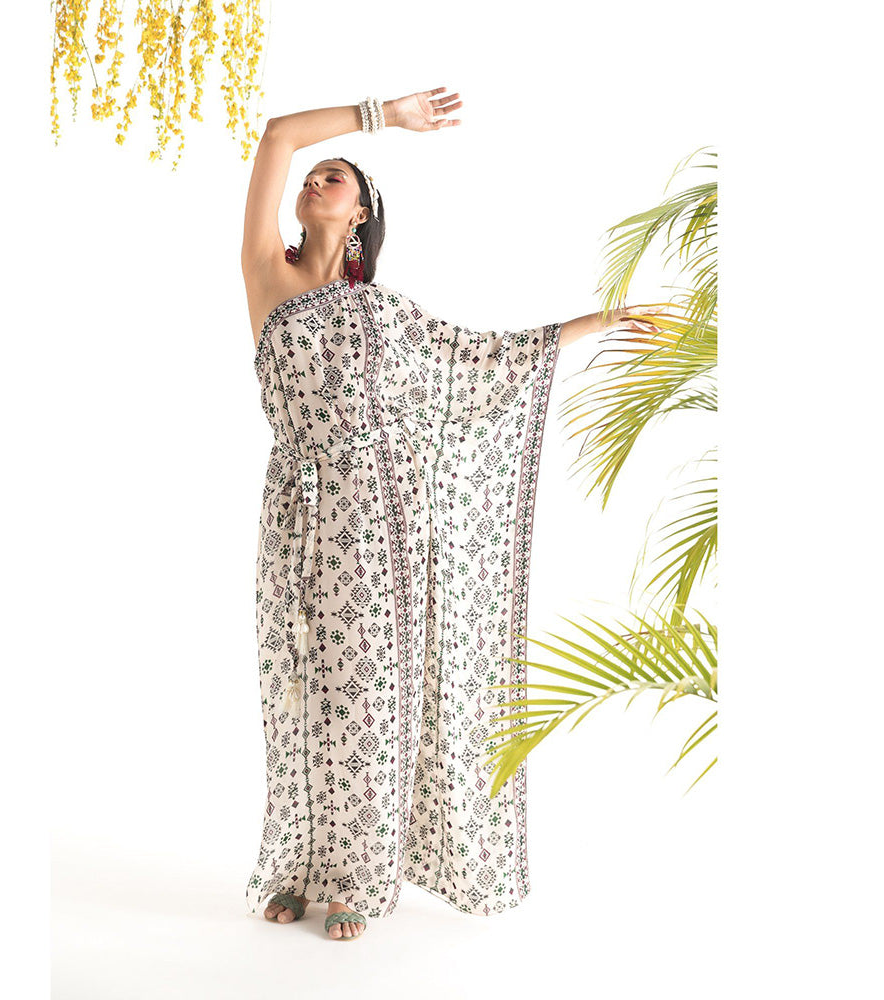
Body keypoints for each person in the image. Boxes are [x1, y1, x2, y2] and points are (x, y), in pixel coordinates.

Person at [241, 90, 660, 941]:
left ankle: (356, 880)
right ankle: (294, 866)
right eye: (313, 177)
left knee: (367, 698)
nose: (315, 180)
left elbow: (483, 362)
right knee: (295, 689)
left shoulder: (389, 315)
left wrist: (600, 321)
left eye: (335, 178)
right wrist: (383, 117)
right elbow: (279, 134)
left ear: (361, 215)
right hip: (296, 512)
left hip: (384, 524)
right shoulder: (267, 276)